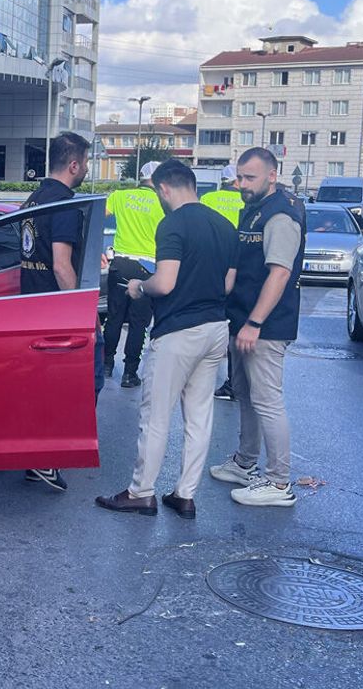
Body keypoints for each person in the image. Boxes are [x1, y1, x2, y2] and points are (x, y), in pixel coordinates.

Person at [95, 161, 238, 518]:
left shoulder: (172, 223)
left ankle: (141, 492)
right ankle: (185, 495)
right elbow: (228, 285)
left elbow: (165, 282)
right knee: (199, 417)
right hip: (215, 328)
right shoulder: (224, 225)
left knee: (156, 416)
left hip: (178, 331)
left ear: (163, 189)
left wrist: (138, 287)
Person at [209, 147, 305, 508]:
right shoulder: (254, 209)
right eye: (239, 176)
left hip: (264, 326)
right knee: (245, 395)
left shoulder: (280, 215)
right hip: (243, 320)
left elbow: (279, 273)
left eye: (250, 177)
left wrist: (254, 323)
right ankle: (245, 463)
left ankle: (279, 483)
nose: (242, 184)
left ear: (272, 176)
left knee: (267, 401)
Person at [18, 131, 97, 491]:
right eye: (87, 162)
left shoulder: (35, 198)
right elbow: (62, 265)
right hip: (55, 311)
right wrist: (81, 313)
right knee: (85, 379)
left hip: (31, 306)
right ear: (74, 164)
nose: (87, 169)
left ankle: (37, 454)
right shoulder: (64, 204)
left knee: (41, 384)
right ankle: (47, 455)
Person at [103, 161, 165, 388]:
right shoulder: (163, 203)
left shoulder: (120, 196)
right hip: (147, 268)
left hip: (120, 264)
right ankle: (130, 373)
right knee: (139, 324)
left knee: (114, 317)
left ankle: (106, 364)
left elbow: (99, 216)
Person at [200, 165, 243, 400]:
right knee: (235, 324)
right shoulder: (246, 201)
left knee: (207, 317)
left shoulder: (208, 198)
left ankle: (198, 375)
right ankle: (234, 382)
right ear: (237, 182)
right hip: (238, 267)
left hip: (211, 266)